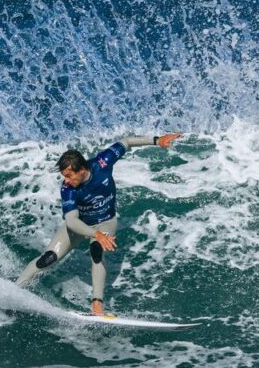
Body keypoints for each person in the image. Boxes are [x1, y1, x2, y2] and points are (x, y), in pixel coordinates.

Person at [16, 133, 183, 315]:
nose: (66, 180)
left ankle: (97, 304)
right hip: (80, 225)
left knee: (97, 250)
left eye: (69, 175)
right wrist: (94, 234)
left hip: (105, 222)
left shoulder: (103, 162)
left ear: (82, 170)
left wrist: (157, 141)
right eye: (64, 176)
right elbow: (71, 221)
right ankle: (14, 291)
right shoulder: (68, 189)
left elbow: (125, 142)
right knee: (47, 259)